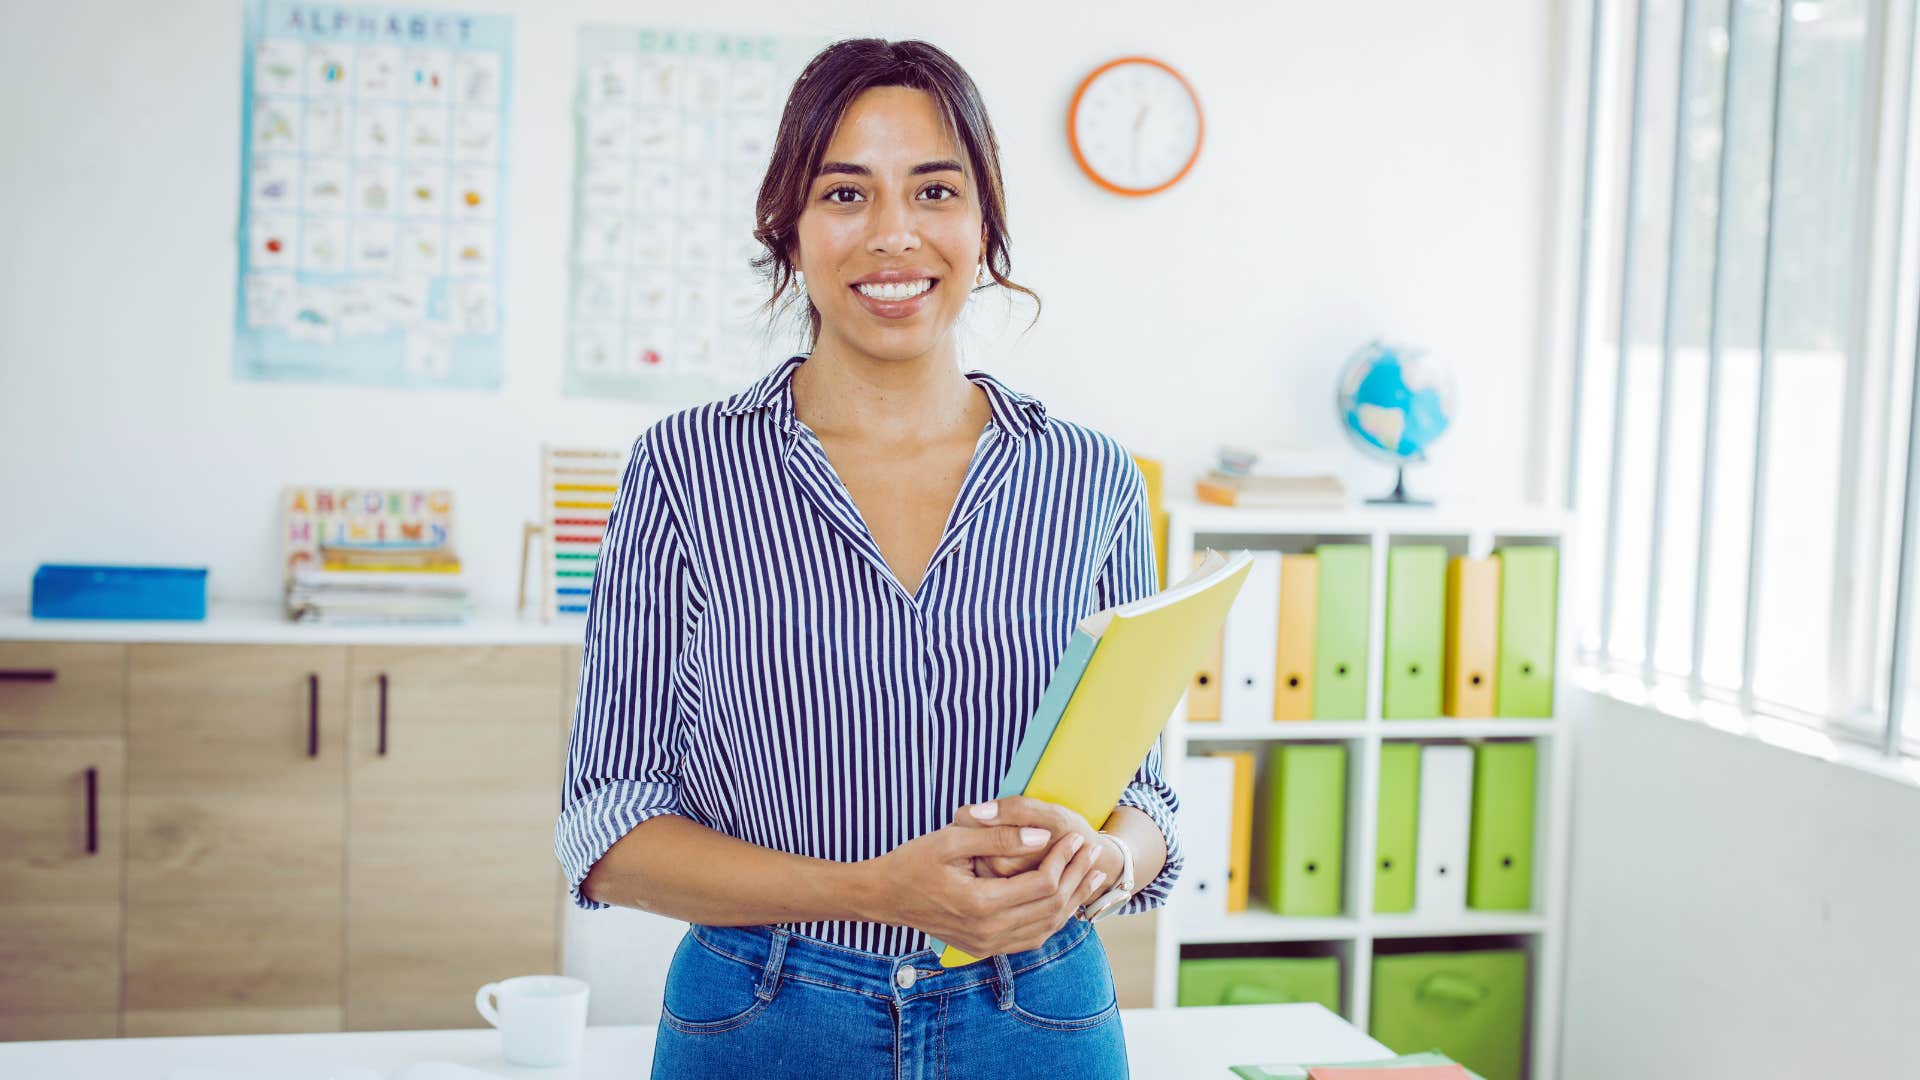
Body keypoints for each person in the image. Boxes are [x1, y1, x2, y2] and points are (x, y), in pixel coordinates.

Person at [555, 37, 1182, 1079]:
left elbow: (1147, 803)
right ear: (788, 232)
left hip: (1039, 1013)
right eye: (846, 194)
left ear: (984, 228)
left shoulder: (1091, 478)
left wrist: (1102, 859)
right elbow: (608, 827)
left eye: (934, 189)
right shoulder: (684, 470)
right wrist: (870, 892)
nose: (894, 234)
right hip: (764, 1014)